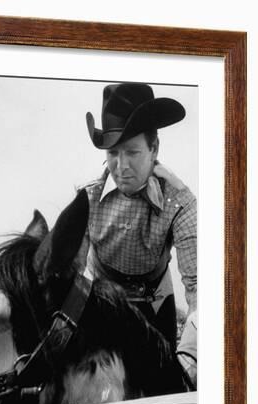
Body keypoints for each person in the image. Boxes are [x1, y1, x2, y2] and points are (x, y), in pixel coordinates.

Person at [83, 82, 197, 386]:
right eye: (113, 153)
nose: (122, 167)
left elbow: (201, 293)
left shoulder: (180, 202)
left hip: (157, 303)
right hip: (102, 303)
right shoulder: (88, 199)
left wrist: (190, 360)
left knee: (167, 387)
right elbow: (68, 277)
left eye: (133, 152)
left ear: (154, 148)